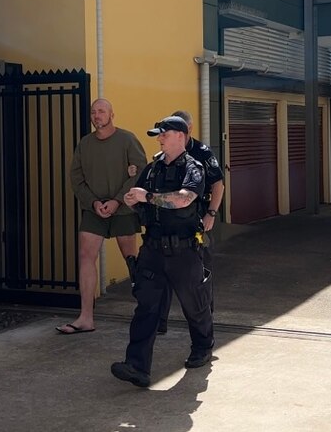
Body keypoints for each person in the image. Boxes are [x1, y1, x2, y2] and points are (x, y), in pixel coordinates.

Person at [110, 116, 214, 388]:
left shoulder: (194, 167)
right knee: (147, 307)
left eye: (164, 134)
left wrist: (149, 197)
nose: (160, 138)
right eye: (159, 135)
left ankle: (203, 346)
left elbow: (184, 199)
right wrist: (134, 200)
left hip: (184, 250)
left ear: (180, 135)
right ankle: (137, 366)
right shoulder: (153, 169)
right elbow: (139, 200)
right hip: (153, 249)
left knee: (194, 304)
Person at [55, 98, 147, 334]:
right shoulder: (85, 144)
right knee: (86, 256)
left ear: (111, 114)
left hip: (123, 208)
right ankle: (86, 318)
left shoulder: (127, 139)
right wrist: (94, 202)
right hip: (93, 209)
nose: (97, 116)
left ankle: (147, 312)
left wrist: (117, 200)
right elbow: (76, 178)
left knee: (132, 260)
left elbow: (140, 172)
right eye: (94, 112)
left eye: (102, 111)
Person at [156, 109, 224, 334]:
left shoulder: (201, 152)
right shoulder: (162, 156)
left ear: (187, 131)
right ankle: (159, 323)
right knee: (161, 273)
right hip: (168, 224)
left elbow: (218, 184)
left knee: (200, 272)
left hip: (197, 219)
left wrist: (211, 214)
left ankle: (206, 321)